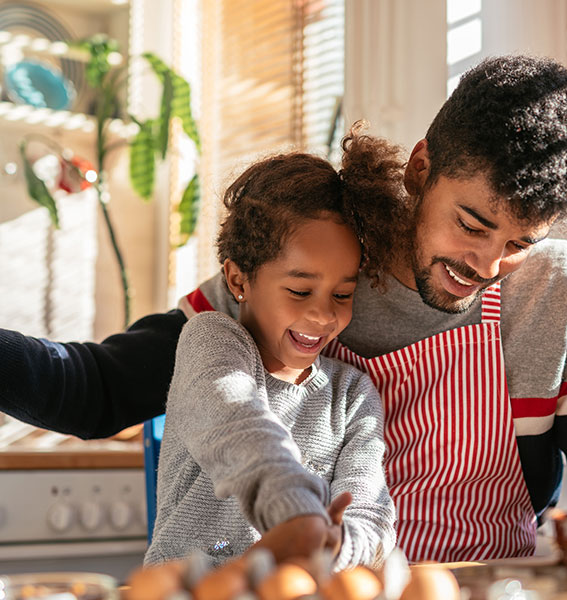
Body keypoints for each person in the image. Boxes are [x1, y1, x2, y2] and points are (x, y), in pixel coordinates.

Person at [2, 54, 567, 562]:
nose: (487, 266)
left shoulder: (557, 292)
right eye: (471, 224)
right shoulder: (310, 265)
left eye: (521, 243)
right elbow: (98, 386)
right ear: (422, 169)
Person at [143, 130, 399, 569]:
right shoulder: (210, 342)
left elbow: (371, 512)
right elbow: (242, 429)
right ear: (239, 280)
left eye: (342, 295)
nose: (323, 316)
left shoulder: (352, 395)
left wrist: (337, 543)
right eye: (300, 291)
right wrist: (297, 512)